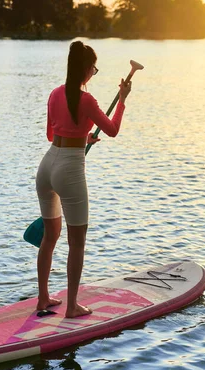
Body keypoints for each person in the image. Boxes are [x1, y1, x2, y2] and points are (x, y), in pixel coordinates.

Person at [35, 41, 132, 318]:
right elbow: (112, 130)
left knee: (49, 237)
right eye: (94, 68)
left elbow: (51, 136)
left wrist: (81, 137)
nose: (94, 72)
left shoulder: (54, 94)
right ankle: (73, 306)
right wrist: (123, 99)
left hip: (47, 166)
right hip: (69, 170)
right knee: (77, 241)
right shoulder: (86, 100)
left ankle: (43, 298)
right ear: (86, 69)